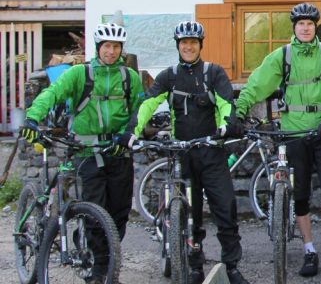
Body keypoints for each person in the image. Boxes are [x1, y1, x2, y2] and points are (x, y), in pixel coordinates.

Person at [127, 21, 249, 284]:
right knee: (191, 215)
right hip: (182, 154)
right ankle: (195, 265)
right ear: (178, 46)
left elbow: (227, 103)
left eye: (193, 42)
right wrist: (132, 131)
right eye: (184, 43)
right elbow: (148, 104)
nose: (189, 47)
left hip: (211, 151)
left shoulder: (213, 73)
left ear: (200, 45)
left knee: (226, 209)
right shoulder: (168, 76)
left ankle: (232, 266)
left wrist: (226, 125)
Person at [21, 22, 144, 282]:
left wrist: (131, 131)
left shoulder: (129, 77)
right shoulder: (80, 74)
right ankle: (100, 272)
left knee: (119, 215)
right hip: (86, 152)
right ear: (99, 47)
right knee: (95, 212)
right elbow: (52, 93)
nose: (111, 51)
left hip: (118, 153)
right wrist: (32, 118)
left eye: (116, 47)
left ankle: (108, 262)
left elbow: (140, 109)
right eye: (107, 46)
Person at [234, 3, 321, 279]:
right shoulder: (281, 56)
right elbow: (256, 84)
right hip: (293, 133)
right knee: (302, 195)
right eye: (301, 24)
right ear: (294, 27)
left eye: (310, 23)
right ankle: (309, 250)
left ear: (315, 26)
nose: (306, 28)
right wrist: (239, 111)